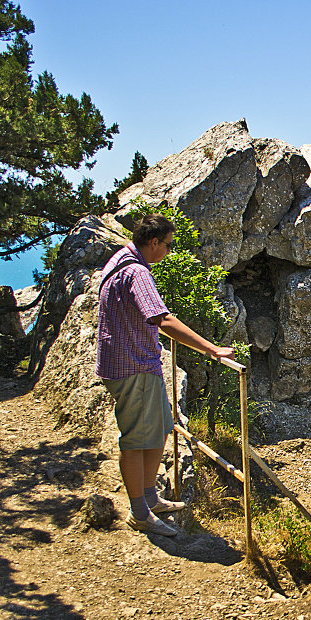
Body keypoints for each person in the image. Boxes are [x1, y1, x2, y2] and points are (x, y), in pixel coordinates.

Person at [96, 213, 234, 537]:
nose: (169, 252)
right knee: (135, 442)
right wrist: (210, 349)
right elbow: (163, 320)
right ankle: (140, 513)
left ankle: (149, 499)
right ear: (154, 242)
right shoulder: (137, 273)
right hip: (133, 369)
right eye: (168, 245)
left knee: (158, 431)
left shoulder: (119, 258)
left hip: (137, 363)